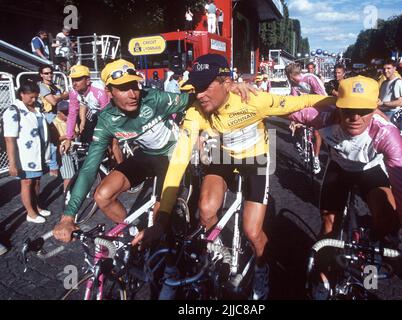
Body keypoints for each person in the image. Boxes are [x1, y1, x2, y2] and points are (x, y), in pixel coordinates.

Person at [154, 54, 334, 300]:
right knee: (205, 211)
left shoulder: (254, 100)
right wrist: (163, 215)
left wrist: (341, 103)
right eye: (196, 87)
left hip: (255, 160)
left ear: (226, 83)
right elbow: (178, 160)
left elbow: (302, 101)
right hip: (224, 158)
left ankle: (261, 267)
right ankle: (218, 255)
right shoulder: (196, 112)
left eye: (205, 86)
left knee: (252, 232)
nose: (199, 94)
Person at [53, 59, 252, 243]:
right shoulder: (106, 120)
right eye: (123, 88)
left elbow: (195, 99)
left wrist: (228, 88)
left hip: (172, 157)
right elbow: (89, 168)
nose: (132, 94)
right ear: (109, 91)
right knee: (102, 195)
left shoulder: (155, 98)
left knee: (159, 218)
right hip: (147, 156)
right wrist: (68, 215)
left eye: (134, 86)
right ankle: (131, 237)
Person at [289, 75, 402, 297]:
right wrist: (239, 91)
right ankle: (322, 276)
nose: (355, 116)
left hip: (369, 170)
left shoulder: (386, 132)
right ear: (337, 106)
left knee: (387, 216)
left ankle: (370, 249)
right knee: (329, 227)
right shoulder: (325, 116)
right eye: (348, 109)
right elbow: (274, 107)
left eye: (364, 110)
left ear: (376, 108)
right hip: (339, 169)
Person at [3, 82, 51, 224]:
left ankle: (36, 206)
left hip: (39, 153)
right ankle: (30, 213)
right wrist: (12, 163)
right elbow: (9, 139)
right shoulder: (13, 111)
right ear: (22, 94)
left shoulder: (36, 108)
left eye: (36, 97)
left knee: (36, 181)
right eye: (31, 97)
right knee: (27, 182)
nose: (34, 100)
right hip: (24, 156)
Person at [285, 62, 326, 175]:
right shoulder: (293, 84)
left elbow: (322, 98)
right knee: (295, 124)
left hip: (319, 106)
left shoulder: (310, 78)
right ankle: (298, 140)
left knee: (317, 133)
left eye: (288, 77)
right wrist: (293, 120)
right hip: (304, 107)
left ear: (290, 75)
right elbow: (294, 101)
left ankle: (316, 158)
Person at [38, 64, 70, 177]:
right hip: (50, 115)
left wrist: (59, 96)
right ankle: (53, 166)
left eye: (51, 73)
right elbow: (53, 101)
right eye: (46, 73)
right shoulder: (42, 87)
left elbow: (67, 95)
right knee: (53, 142)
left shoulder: (55, 85)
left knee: (65, 137)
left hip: (60, 114)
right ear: (41, 75)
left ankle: (65, 164)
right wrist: (62, 96)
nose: (49, 75)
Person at [51, 102, 79, 192]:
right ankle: (66, 194)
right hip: (64, 151)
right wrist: (68, 135)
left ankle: (74, 191)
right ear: (58, 112)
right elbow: (55, 139)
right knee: (68, 175)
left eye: (68, 111)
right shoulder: (54, 123)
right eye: (65, 112)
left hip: (73, 148)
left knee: (75, 172)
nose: (67, 114)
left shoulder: (71, 119)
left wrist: (73, 134)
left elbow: (77, 132)